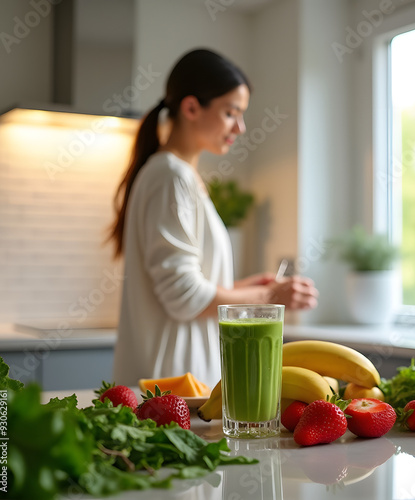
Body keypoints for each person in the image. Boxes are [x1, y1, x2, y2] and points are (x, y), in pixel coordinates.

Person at [108, 48, 318, 388]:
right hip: (171, 391)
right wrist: (269, 298)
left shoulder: (177, 175)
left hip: (179, 386)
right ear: (191, 107)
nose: (241, 127)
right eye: (230, 113)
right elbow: (184, 298)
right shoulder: (170, 176)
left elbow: (189, 287)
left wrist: (243, 288)